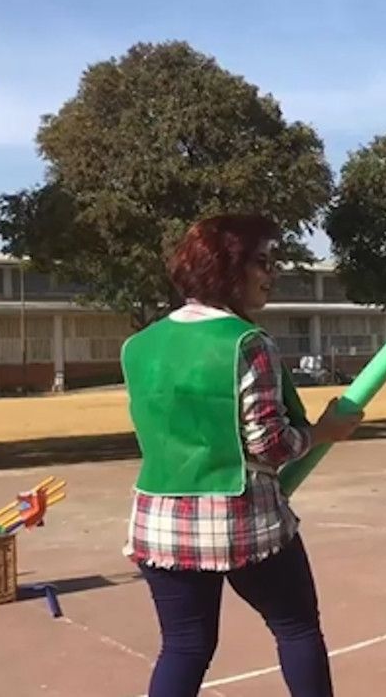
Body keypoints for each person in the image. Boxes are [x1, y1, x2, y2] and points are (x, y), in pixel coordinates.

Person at [120, 214, 363, 697]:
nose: (271, 275)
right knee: (296, 627)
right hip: (238, 518)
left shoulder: (139, 346)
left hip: (158, 520)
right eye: (262, 262)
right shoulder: (247, 343)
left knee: (183, 648)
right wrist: (322, 432)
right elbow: (269, 445)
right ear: (227, 267)